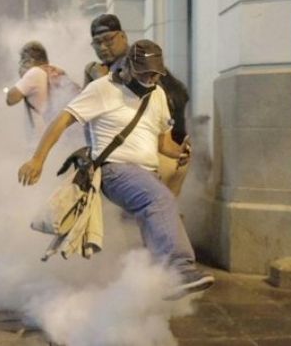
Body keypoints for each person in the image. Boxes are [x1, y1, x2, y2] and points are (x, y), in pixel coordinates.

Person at [18, 40, 214, 299]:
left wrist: (180, 151)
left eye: (156, 74)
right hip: (114, 170)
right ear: (130, 66)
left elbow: (161, 142)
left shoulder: (156, 95)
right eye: (145, 73)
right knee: (159, 199)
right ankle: (178, 269)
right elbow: (62, 120)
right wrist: (37, 160)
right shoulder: (102, 89)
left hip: (147, 173)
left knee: (158, 222)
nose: (151, 78)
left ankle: (154, 289)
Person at [85, 14, 191, 196]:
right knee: (162, 211)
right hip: (169, 154)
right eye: (97, 43)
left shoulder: (126, 67)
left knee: (147, 213)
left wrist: (98, 79)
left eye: (108, 40)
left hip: (155, 156)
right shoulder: (135, 60)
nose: (103, 47)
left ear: (123, 36)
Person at [6, 41, 81, 139]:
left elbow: (11, 99)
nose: (21, 66)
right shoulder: (56, 72)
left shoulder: (35, 73)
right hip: (61, 138)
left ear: (30, 61)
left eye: (22, 62)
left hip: (41, 139)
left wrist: (23, 77)